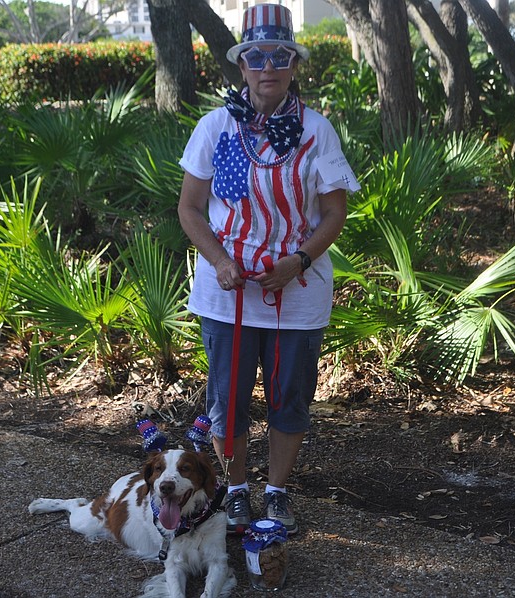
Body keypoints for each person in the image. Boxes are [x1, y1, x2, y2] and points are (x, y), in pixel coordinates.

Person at [177, 3, 359, 536]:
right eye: (257, 57)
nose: (268, 67)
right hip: (226, 294)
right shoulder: (215, 127)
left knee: (289, 399)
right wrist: (220, 261)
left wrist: (298, 261)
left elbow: (334, 212)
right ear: (242, 66)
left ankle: (276, 493)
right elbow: (190, 208)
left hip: (297, 291)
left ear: (294, 65)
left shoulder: (317, 131)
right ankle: (236, 492)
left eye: (280, 56)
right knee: (227, 402)